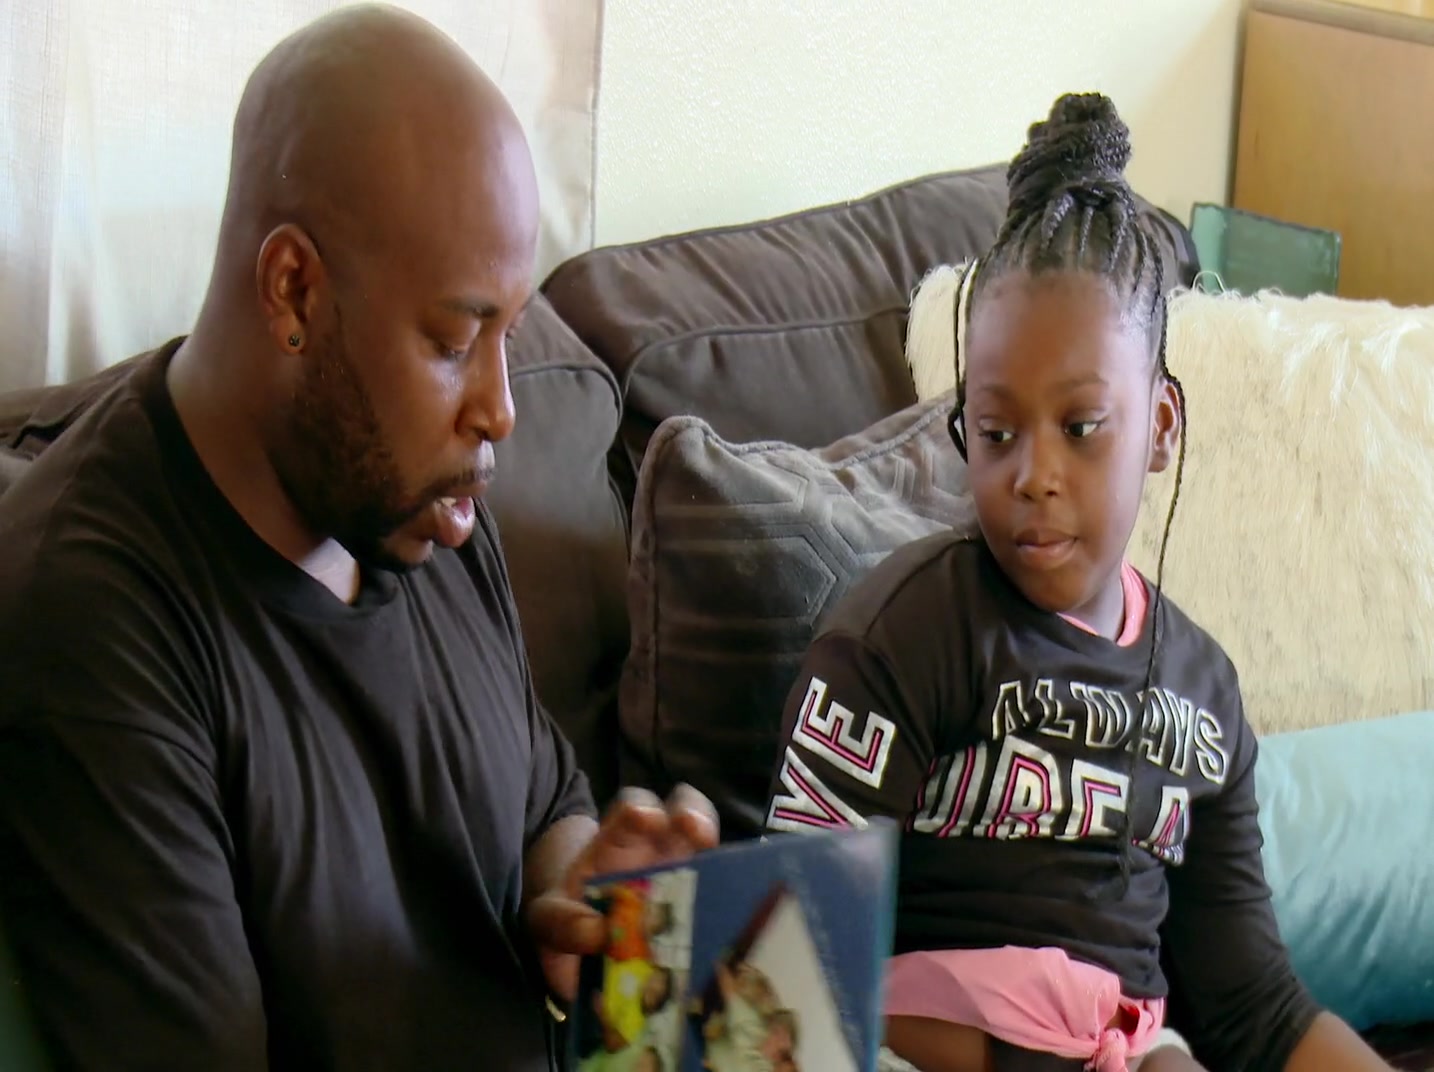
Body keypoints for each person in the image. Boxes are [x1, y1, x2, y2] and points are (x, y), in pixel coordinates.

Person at [0, 6, 717, 1071]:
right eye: (456, 338)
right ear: (294, 288)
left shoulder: (415, 496)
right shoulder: (93, 626)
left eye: (509, 334)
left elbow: (539, 797)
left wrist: (582, 884)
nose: (501, 409)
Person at [763, 93, 1391, 1072]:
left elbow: (1255, 1009)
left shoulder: (1205, 697)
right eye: (997, 432)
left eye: (1082, 426)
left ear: (1163, 427)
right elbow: (786, 965)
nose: (1035, 475)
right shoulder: (898, 642)